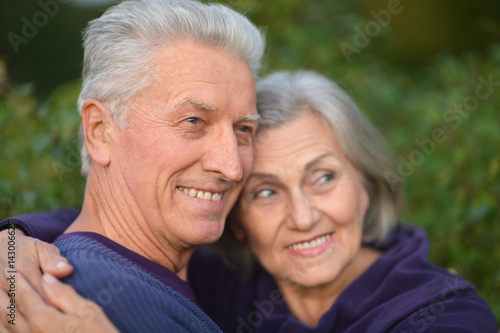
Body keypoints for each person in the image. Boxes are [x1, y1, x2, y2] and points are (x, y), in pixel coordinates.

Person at [1, 71, 497, 332]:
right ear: (234, 215)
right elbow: (105, 220)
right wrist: (10, 246)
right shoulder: (225, 280)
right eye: (265, 192)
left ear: (367, 182)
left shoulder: (443, 316)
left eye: (323, 177)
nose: (302, 218)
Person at [0, 0, 265, 332]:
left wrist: (11, 238)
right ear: (100, 131)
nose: (232, 167)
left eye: (243, 129)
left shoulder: (203, 272)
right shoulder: (90, 303)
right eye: (194, 120)